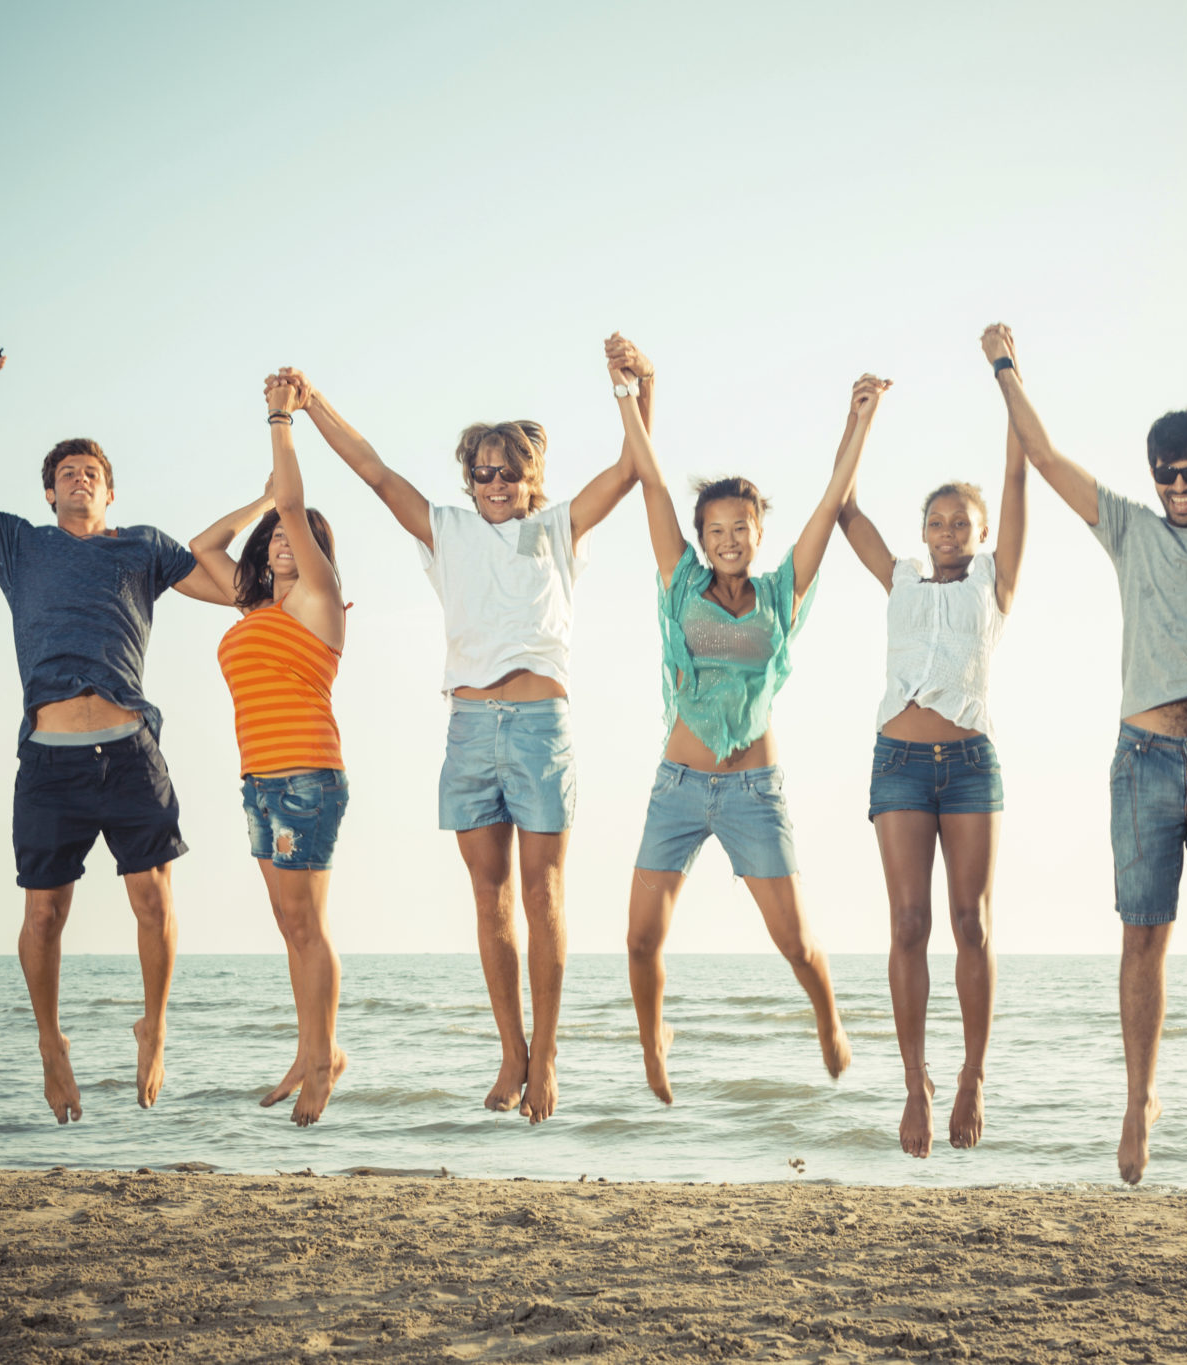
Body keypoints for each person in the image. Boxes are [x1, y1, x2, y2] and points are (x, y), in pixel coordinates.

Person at [984, 320, 1187, 1185]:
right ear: (1152, 476)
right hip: (1144, 759)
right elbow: (1048, 455)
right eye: (1166, 473)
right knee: (1142, 938)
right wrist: (1006, 368)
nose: (1179, 485)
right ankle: (1139, 1101)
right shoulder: (1129, 529)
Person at [264, 356, 642, 1124]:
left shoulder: (558, 529)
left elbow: (633, 468)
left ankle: (550, 1058)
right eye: (482, 473)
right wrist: (311, 403)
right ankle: (512, 1052)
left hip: (539, 727)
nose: (495, 485)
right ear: (469, 480)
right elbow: (373, 471)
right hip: (469, 727)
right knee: (490, 897)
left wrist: (635, 387)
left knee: (543, 892)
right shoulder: (448, 529)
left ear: (529, 477)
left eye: (507, 474)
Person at [0, 342, 237, 1124]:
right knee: (43, 914)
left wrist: (292, 573)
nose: (79, 477)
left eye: (91, 470)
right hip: (50, 757)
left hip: (129, 750)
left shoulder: (144, 546)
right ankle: (51, 1041)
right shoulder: (19, 544)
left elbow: (236, 591)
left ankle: (153, 1023)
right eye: (66, 471)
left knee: (153, 903)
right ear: (50, 492)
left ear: (110, 489)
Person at [618, 353, 878, 1105]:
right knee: (640, 939)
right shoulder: (680, 585)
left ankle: (828, 1015)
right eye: (717, 528)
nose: (729, 537)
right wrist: (629, 395)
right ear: (700, 536)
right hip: (677, 787)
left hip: (753, 793)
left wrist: (858, 420)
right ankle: (652, 1044)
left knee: (795, 941)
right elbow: (654, 483)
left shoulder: (781, 593)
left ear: (759, 530)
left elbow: (831, 504)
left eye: (742, 526)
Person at [834, 416, 1028, 1157]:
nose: (948, 532)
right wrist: (863, 418)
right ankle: (915, 1080)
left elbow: (1016, 482)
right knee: (908, 923)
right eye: (936, 522)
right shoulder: (900, 577)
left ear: (979, 535)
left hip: (972, 767)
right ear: (923, 530)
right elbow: (845, 508)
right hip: (900, 763)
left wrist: (1009, 396)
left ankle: (973, 1074)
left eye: (961, 523)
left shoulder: (994, 582)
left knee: (971, 922)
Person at [187, 379, 349, 1126]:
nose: (285, 538)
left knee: (308, 925)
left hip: (306, 776)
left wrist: (281, 421)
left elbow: (295, 503)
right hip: (258, 780)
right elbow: (200, 550)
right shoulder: (250, 607)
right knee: (291, 927)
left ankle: (324, 1058)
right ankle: (310, 1047)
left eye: (299, 533)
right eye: (278, 536)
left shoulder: (319, 599)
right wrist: (259, 500)